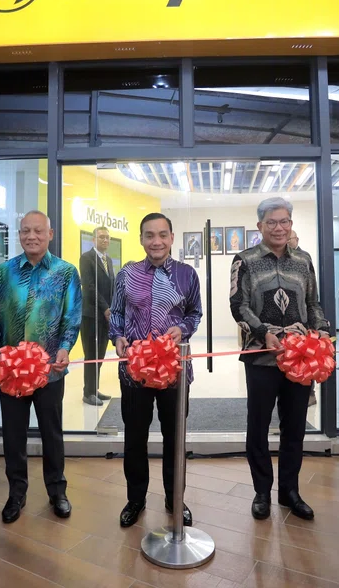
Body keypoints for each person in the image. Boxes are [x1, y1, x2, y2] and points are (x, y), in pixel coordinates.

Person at [0, 211, 81, 524]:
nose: (31, 236)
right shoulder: (3, 273)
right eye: (25, 231)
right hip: (11, 372)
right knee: (13, 435)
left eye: (38, 231)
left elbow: (72, 317)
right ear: (19, 235)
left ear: (50, 234)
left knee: (52, 433)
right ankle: (16, 493)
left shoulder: (66, 272)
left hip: (50, 372)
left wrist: (64, 349)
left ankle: (57, 492)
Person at [230, 197, 330, 522]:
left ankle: (290, 491)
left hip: (301, 357)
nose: (279, 227)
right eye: (271, 222)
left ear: (291, 224)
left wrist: (323, 331)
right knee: (258, 427)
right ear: (260, 226)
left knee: (295, 427)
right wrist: (263, 333)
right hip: (261, 357)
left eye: (284, 221)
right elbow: (238, 305)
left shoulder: (303, 260)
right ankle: (262, 491)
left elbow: (313, 302)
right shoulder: (244, 260)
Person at [111, 213, 202, 528]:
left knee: (174, 438)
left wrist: (182, 328)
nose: (156, 241)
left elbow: (195, 313)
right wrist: (118, 337)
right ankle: (135, 499)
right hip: (134, 371)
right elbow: (117, 315)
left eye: (162, 234)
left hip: (175, 370)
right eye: (149, 235)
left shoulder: (187, 275)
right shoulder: (127, 273)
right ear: (141, 239)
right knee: (135, 438)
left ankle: (174, 497)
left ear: (172, 237)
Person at [80, 226, 115, 406]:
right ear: (93, 240)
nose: (105, 240)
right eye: (101, 237)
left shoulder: (108, 260)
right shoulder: (86, 258)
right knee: (91, 355)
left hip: (105, 316)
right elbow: (89, 287)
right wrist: (105, 308)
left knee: (100, 354)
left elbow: (111, 287)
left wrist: (113, 307)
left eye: (107, 238)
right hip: (91, 316)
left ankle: (95, 389)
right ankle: (88, 393)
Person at [288, 230, 318, 408]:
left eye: (289, 238)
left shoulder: (303, 257)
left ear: (296, 240)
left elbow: (311, 293)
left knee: (307, 360)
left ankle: (310, 393)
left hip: (303, 320)